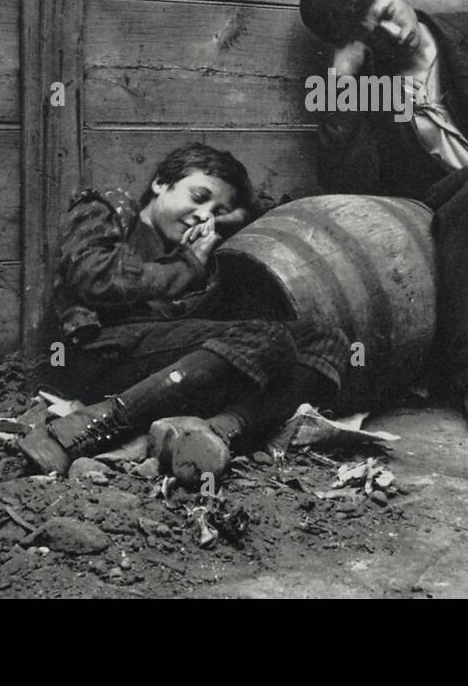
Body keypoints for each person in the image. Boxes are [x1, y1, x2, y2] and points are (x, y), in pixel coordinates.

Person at [18, 143, 348, 486]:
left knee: (325, 338)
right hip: (101, 351)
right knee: (267, 337)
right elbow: (94, 278)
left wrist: (227, 220)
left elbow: (250, 211)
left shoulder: (196, 242)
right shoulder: (110, 208)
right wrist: (186, 266)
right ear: (161, 183)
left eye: (218, 210)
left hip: (169, 366)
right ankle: (83, 429)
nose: (205, 215)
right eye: (198, 196)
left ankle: (213, 433)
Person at [297, 0, 468, 440]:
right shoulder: (367, 87)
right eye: (367, 33)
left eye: (384, 9)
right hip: (443, 221)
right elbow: (346, 183)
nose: (389, 30)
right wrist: (342, 83)